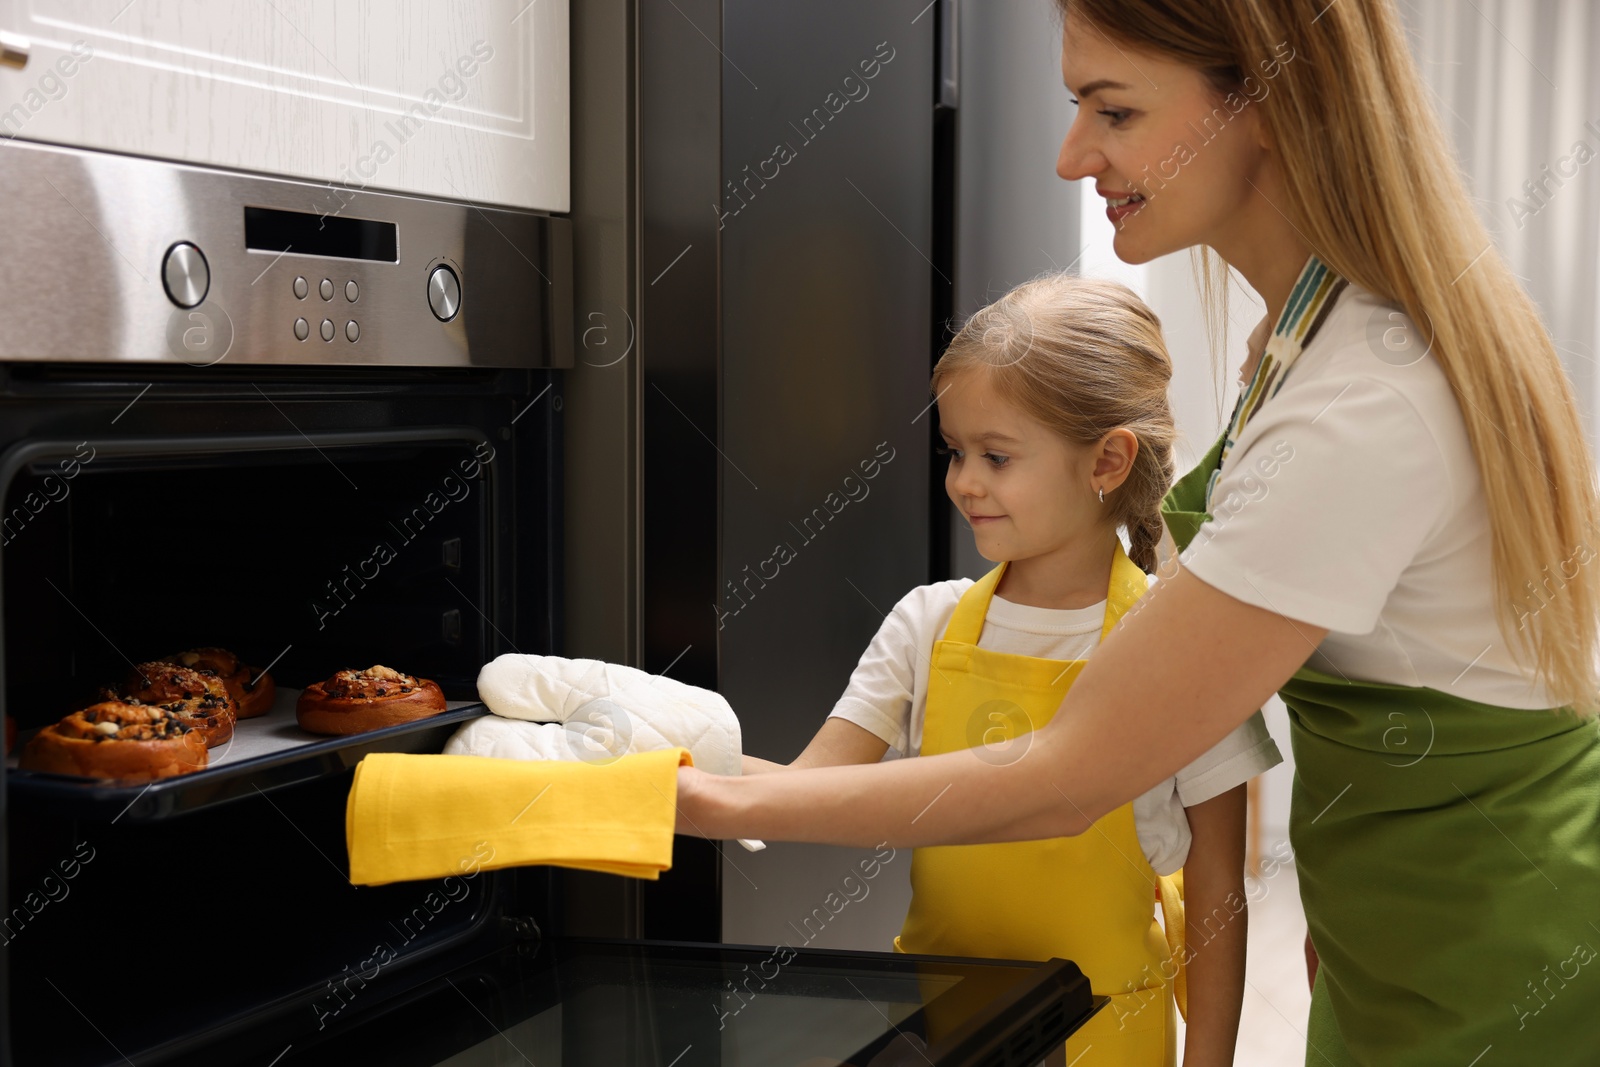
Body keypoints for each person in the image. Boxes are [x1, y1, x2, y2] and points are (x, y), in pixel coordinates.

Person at [678, 2, 1600, 1063]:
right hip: (1400, 935)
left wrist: (706, 801)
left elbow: (1071, 771)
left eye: (1112, 110)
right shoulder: (1303, 333)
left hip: (1503, 958)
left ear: (1266, 97)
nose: (1074, 156)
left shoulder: (1364, 402)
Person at [745, 273, 1280, 1066]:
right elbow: (804, 790)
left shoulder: (1178, 646)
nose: (964, 480)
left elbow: (1215, 889)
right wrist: (654, 763)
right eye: (956, 451)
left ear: (1106, 462)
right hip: (942, 1031)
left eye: (996, 455)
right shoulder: (926, 625)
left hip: (1104, 1037)